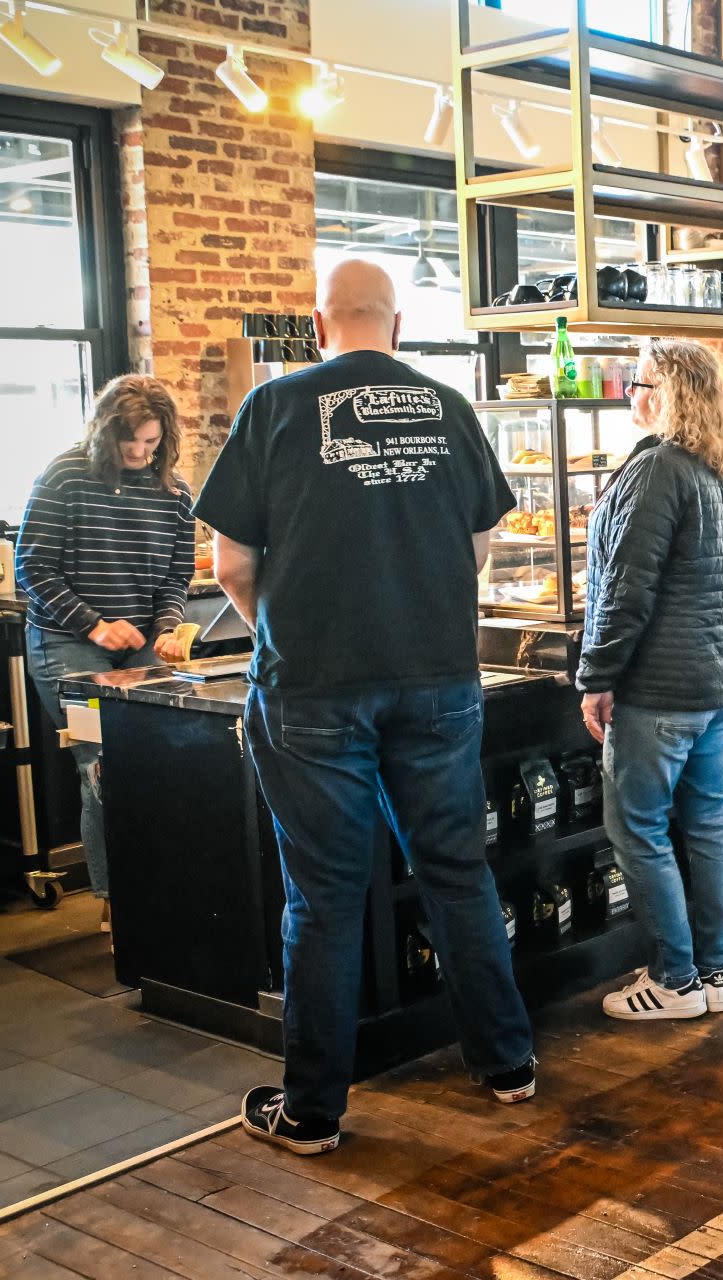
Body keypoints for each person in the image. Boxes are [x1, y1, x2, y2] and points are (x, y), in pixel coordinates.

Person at [198, 260, 535, 1156]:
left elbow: (230, 564)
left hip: (312, 690)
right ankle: (507, 1065)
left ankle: (312, 1112)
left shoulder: (271, 410)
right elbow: (478, 546)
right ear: (397, 324)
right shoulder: (449, 408)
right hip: (436, 679)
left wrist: (290, 627)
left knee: (325, 898)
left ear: (317, 325)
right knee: (458, 872)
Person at [578, 340, 723, 1022]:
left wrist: (597, 676)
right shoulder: (720, 472)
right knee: (710, 820)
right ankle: (714, 973)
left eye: (639, 383)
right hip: (722, 681)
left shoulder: (656, 470)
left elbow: (626, 588)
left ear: (668, 394)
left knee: (638, 827)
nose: (631, 393)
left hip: (661, 686)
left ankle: (674, 980)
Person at [16, 374, 198, 928]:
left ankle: (165, 886)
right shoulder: (65, 476)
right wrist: (94, 626)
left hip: (140, 644)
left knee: (164, 757)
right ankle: (117, 908)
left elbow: (176, 575)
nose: (142, 453)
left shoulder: (174, 491)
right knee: (104, 763)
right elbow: (33, 568)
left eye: (152, 442)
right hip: (67, 642)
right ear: (104, 434)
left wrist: (167, 628)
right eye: (131, 443)